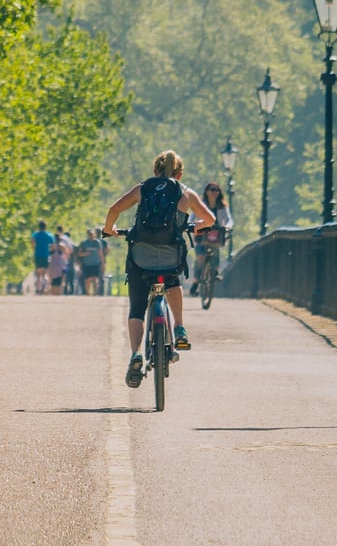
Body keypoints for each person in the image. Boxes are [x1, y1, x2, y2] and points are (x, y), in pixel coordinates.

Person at [104, 150, 217, 388]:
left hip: (140, 256)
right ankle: (179, 328)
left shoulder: (142, 188)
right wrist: (194, 227)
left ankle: (136, 353)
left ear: (155, 170)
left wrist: (109, 229)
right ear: (180, 172)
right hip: (170, 257)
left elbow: (114, 210)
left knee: (136, 307)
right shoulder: (185, 192)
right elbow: (209, 220)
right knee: (173, 281)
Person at [192, 182, 234, 298]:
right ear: (206, 191)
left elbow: (229, 220)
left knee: (215, 250)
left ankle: (214, 271)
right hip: (202, 234)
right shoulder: (201, 205)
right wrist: (192, 225)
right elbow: (192, 216)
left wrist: (228, 227)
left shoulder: (222, 206)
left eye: (216, 190)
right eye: (212, 189)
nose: (214, 192)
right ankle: (195, 282)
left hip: (216, 234)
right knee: (200, 258)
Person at [76, 227, 106, 298]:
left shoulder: (97, 243)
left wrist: (102, 263)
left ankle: (95, 293)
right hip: (87, 264)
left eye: (92, 234)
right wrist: (85, 253)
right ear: (88, 235)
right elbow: (79, 253)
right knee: (88, 279)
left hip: (96, 263)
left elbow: (100, 253)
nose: (91, 235)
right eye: (90, 234)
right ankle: (87, 293)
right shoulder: (84, 243)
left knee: (95, 279)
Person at [31, 220, 56, 294]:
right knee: (45, 272)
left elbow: (32, 243)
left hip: (38, 255)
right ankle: (44, 288)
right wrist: (49, 250)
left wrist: (35, 248)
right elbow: (53, 246)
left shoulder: (35, 235)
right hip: (46, 255)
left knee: (38, 273)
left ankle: (38, 288)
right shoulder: (49, 235)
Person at [50, 228, 74, 295]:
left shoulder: (52, 246)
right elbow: (68, 253)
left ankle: (54, 294)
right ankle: (60, 294)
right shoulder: (62, 246)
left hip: (53, 265)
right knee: (61, 280)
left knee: (53, 281)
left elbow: (49, 254)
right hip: (62, 264)